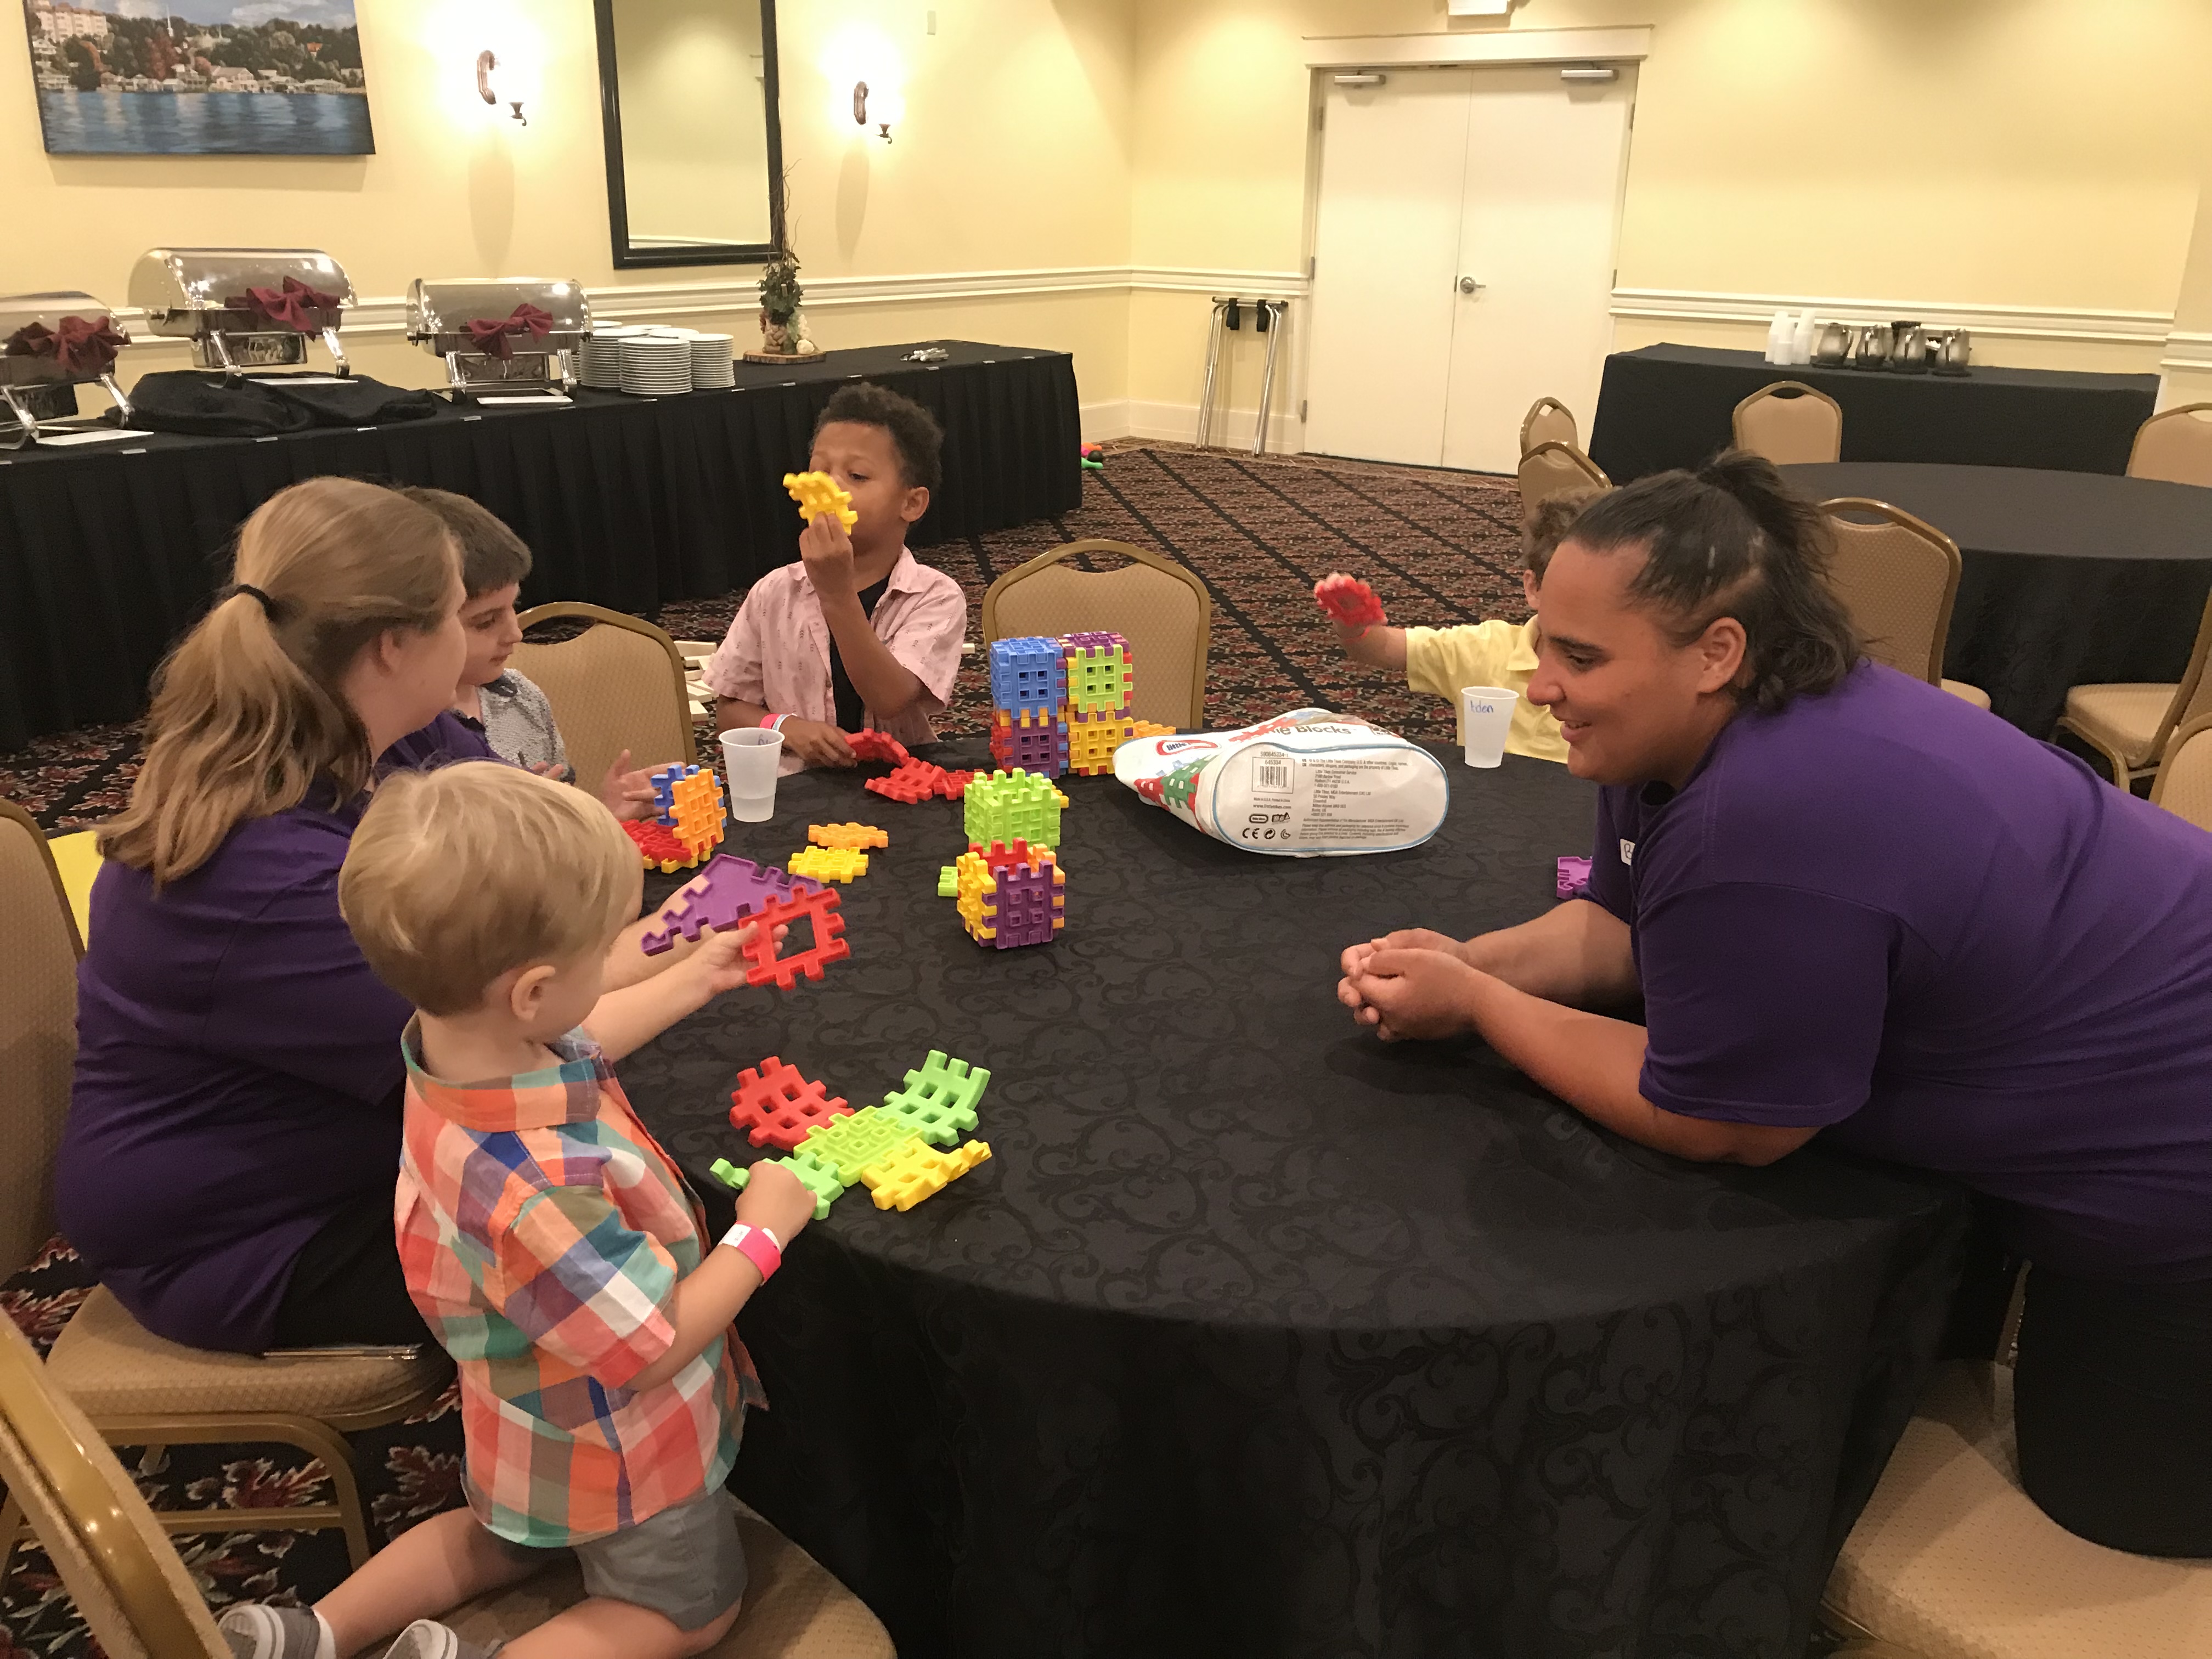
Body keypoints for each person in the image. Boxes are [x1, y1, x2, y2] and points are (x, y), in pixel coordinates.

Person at [1335, 452, 2212, 1558]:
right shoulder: (1679, 721)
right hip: (2107, 1091)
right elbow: (1620, 933)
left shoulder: (1765, 817)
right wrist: (1477, 963)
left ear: (1717, 652)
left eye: (1579, 655)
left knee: (2115, 1516)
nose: (1541, 683)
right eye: (1542, 641)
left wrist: (1480, 1008)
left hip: (2181, 1181)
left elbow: (1734, 1123)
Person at [57, 478, 694, 1356]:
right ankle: (561, 1491)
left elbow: (519, 957)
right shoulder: (263, 877)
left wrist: (669, 941)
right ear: (397, 644)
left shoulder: (405, 732)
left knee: (636, 1177)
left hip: (377, 1145)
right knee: (642, 1260)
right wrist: (682, 962)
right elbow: (508, 1042)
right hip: (254, 1239)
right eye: (457, 610)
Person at [219, 764, 817, 1659]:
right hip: (621, 1447)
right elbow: (652, 1345)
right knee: (688, 1607)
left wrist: (697, 976)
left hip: (519, 1422)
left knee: (496, 1532)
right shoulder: (536, 1186)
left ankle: (315, 1628)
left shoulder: (450, 1054)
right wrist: (761, 1230)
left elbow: (577, 1044)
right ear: (531, 991)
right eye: (597, 949)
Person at [703, 382, 966, 772]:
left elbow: (890, 698)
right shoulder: (773, 592)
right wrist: (787, 728)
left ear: (911, 503)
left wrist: (837, 596)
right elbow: (730, 708)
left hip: (899, 783)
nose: (831, 486)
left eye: (857, 475)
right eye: (819, 472)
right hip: (796, 789)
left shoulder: (934, 597)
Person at [396, 486, 654, 819]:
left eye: (513, 607)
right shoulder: (402, 732)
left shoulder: (522, 697)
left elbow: (562, 820)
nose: (515, 633)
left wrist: (603, 815)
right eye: (486, 622)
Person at [1317, 490, 1595, 763]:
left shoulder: (1625, 672)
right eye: (1570, 593)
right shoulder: (1485, 649)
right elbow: (1381, 648)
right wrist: (1353, 624)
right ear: (1533, 587)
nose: (1590, 611)